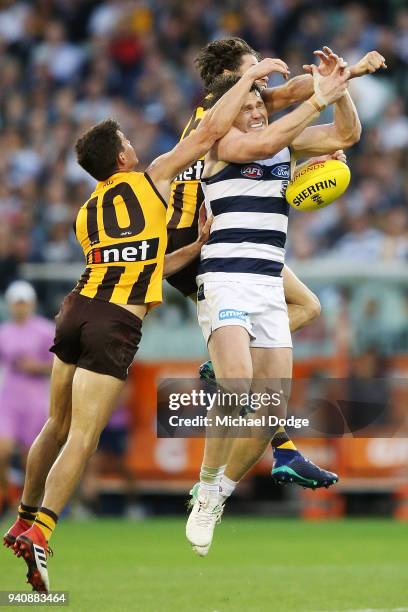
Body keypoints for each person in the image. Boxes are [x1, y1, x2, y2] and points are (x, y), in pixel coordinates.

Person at [3, 58, 281, 592]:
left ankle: (22, 514)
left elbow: (138, 262)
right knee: (83, 437)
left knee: (53, 425)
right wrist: (247, 80)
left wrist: (194, 248)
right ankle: (42, 533)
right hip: (115, 322)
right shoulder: (151, 179)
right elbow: (207, 136)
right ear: (124, 155)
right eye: (128, 141)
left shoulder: (87, 211)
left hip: (76, 309)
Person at [166, 38, 387, 490]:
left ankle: (276, 442)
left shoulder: (240, 104)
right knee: (243, 380)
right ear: (232, 75)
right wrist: (340, 80)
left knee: (307, 307)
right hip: (195, 241)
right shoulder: (220, 114)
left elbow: (305, 95)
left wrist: (347, 76)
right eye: (254, 69)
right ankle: (267, 450)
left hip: (232, 241)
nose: (265, 77)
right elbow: (294, 98)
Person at [0, 281, 54, 516]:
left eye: (24, 303)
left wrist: (38, 367)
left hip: (35, 399)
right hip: (9, 398)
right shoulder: (4, 332)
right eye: (16, 303)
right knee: (2, 451)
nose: (20, 307)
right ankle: (8, 497)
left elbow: (58, 364)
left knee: (29, 459)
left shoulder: (44, 330)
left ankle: (27, 506)